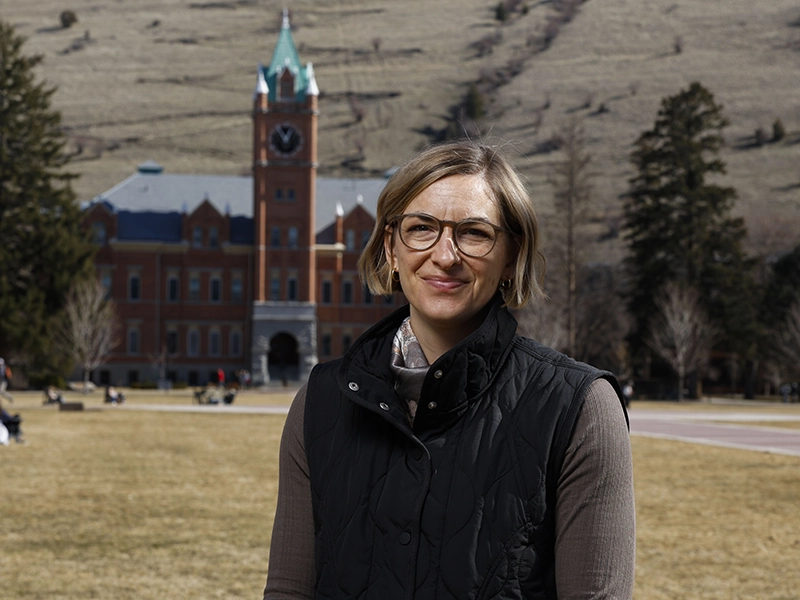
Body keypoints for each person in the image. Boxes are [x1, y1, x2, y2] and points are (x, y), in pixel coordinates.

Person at [263, 140, 635, 600]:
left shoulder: (579, 409)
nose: (445, 255)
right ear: (391, 249)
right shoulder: (321, 402)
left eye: (474, 233)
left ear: (511, 257)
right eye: (421, 228)